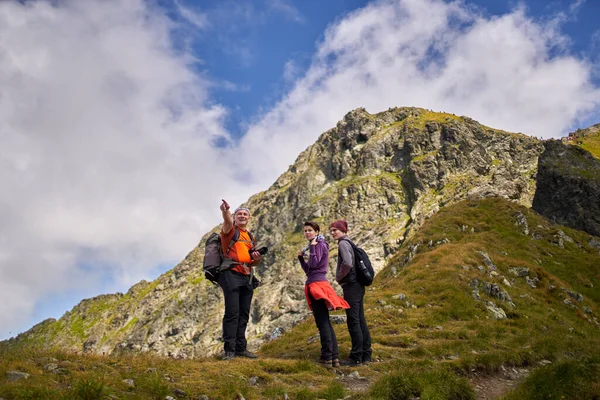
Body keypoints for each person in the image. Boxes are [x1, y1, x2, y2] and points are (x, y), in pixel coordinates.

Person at [297, 222, 350, 368]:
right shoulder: (315, 245)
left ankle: (327, 356)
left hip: (317, 286)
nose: (307, 233)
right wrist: (301, 259)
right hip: (315, 282)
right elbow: (309, 270)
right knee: (324, 322)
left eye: (310, 230)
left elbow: (314, 265)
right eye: (306, 231)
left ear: (316, 231)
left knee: (322, 323)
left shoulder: (319, 244)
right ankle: (333, 357)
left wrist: (313, 247)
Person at [219, 199, 263, 360]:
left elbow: (255, 262)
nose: (242, 216)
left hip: (247, 275)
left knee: (243, 313)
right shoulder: (230, 230)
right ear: (235, 217)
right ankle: (229, 350)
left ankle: (240, 348)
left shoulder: (250, 236)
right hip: (231, 274)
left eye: (245, 214)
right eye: (239, 214)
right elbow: (227, 221)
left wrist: (257, 258)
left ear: (249, 218)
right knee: (232, 312)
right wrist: (225, 211)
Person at [330, 220, 372, 366]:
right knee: (360, 319)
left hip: (352, 286)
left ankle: (355, 357)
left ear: (342, 230)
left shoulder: (343, 243)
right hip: (358, 285)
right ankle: (366, 354)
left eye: (335, 230)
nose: (332, 233)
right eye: (331, 230)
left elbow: (347, 263)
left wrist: (339, 276)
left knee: (353, 320)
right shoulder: (350, 242)